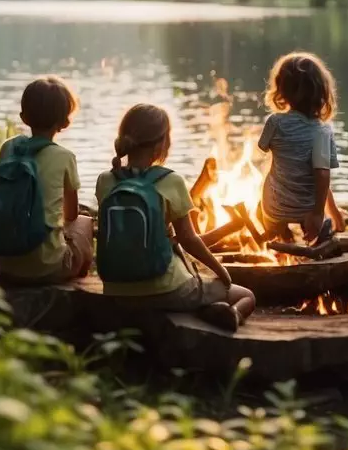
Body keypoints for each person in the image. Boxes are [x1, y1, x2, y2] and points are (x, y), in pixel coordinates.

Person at [95, 104, 256, 331]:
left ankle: (203, 307)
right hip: (166, 289)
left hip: (116, 289)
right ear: (162, 144)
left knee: (187, 291)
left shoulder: (105, 181)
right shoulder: (171, 181)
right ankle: (233, 315)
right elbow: (189, 239)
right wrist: (221, 271)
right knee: (246, 295)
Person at [0, 77, 94, 285]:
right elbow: (70, 214)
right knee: (84, 221)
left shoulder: (8, 148)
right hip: (48, 268)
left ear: (24, 117)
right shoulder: (65, 156)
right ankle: (79, 270)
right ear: (65, 121)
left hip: (6, 266)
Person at [257, 52, 346, 244]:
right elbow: (322, 174)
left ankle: (279, 232)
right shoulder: (323, 131)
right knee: (318, 214)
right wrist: (317, 213)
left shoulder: (274, 122)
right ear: (322, 92)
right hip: (307, 210)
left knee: (266, 186)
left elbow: (262, 147)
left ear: (281, 90)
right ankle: (315, 229)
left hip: (274, 208)